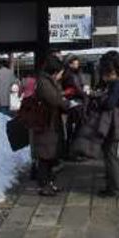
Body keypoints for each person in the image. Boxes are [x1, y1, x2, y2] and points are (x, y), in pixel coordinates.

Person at [32, 56, 70, 196]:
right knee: (45, 155)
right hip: (45, 123)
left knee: (50, 154)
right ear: (54, 71)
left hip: (51, 122)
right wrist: (66, 104)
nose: (61, 75)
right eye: (60, 72)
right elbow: (55, 100)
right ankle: (43, 185)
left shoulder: (49, 81)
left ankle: (49, 183)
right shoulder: (44, 82)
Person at [95, 55, 119, 197]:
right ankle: (112, 186)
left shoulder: (117, 85)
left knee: (111, 156)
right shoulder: (118, 84)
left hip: (114, 125)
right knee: (110, 155)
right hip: (114, 124)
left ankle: (115, 189)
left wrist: (100, 99)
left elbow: (110, 104)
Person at [62, 54, 87, 148]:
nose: (77, 65)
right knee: (77, 126)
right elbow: (77, 88)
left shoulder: (69, 74)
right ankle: (75, 148)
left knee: (71, 126)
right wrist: (85, 94)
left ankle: (70, 146)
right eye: (75, 63)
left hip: (72, 102)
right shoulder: (72, 75)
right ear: (70, 64)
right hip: (76, 102)